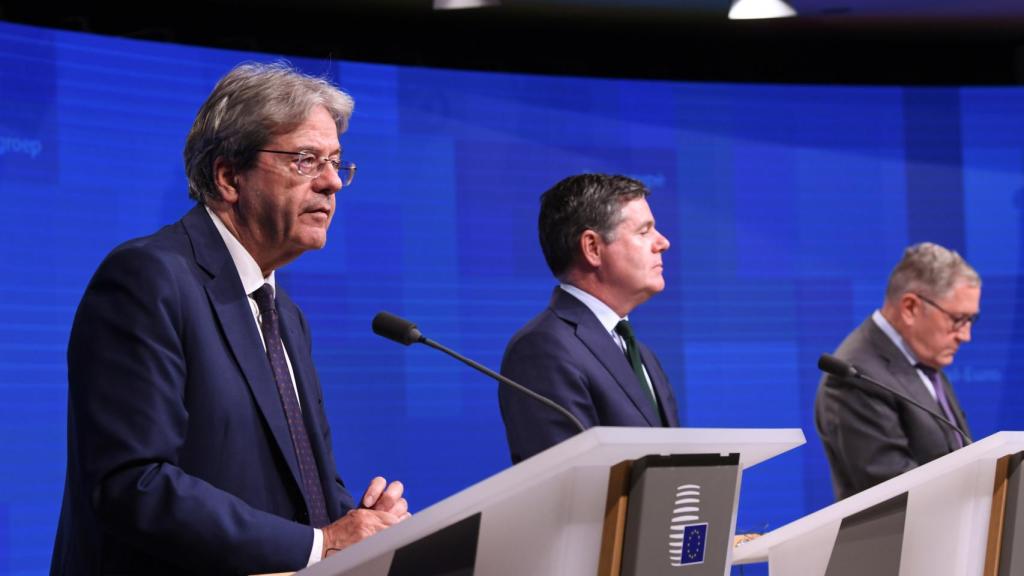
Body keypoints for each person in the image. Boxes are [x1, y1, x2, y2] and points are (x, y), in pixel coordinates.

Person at [51, 62, 409, 576]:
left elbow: (302, 481)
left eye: (336, 162)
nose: (333, 183)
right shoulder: (148, 278)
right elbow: (134, 482)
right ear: (228, 176)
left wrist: (363, 523)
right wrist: (320, 544)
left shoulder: (284, 311)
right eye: (306, 160)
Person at [499, 173, 681, 464]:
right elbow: (568, 484)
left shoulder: (640, 353)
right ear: (593, 248)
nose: (663, 242)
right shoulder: (542, 350)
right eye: (644, 231)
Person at [815, 242, 980, 500]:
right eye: (958, 319)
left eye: (972, 320)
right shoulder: (855, 376)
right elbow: (893, 489)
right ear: (911, 308)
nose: (966, 335)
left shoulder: (922, 355)